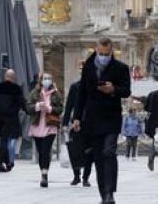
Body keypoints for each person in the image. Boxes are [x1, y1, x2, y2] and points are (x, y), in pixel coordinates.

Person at [72, 38, 131, 204]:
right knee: (98, 157)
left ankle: (110, 192)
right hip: (92, 118)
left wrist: (113, 89)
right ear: (96, 50)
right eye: (101, 53)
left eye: (107, 54)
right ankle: (103, 194)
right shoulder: (88, 68)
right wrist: (77, 117)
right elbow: (81, 94)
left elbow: (126, 91)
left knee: (109, 152)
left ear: (111, 51)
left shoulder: (121, 68)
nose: (104, 56)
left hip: (111, 117)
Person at [26, 71, 64, 187]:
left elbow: (60, 109)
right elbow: (28, 108)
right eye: (45, 78)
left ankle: (44, 175)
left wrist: (50, 108)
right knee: (40, 151)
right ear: (41, 80)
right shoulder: (35, 93)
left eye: (49, 78)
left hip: (50, 126)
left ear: (52, 81)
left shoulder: (56, 94)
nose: (47, 81)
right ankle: (42, 171)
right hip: (37, 126)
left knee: (46, 150)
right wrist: (37, 106)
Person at [63, 61, 93, 187]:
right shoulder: (75, 87)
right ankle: (76, 176)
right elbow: (69, 105)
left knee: (89, 152)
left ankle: (86, 177)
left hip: (91, 124)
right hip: (77, 123)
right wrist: (65, 123)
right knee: (75, 150)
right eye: (81, 69)